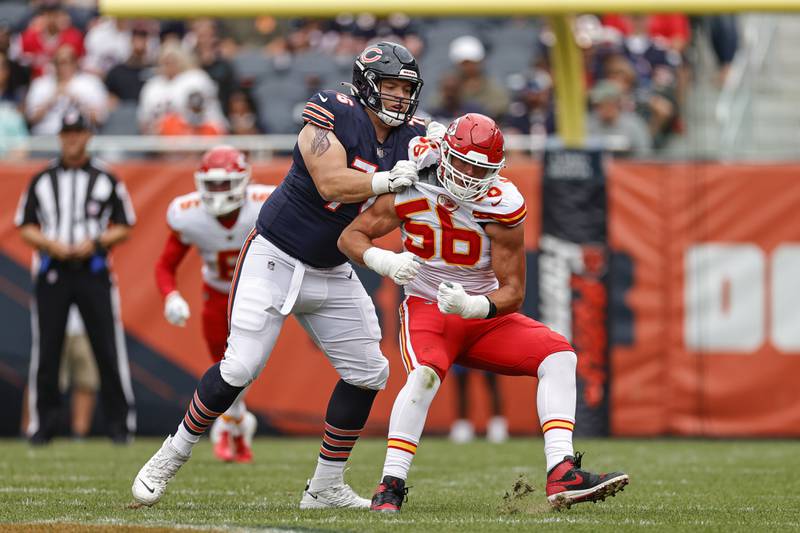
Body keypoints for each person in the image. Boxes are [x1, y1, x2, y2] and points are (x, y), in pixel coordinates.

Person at [131, 41, 428, 509]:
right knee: (241, 366)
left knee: (370, 372)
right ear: (367, 85)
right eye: (389, 87)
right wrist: (386, 181)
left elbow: (449, 154)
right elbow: (331, 182)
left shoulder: (412, 135)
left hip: (330, 267)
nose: (398, 97)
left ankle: (325, 486)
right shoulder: (332, 110)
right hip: (276, 254)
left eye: (405, 89)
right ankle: (170, 455)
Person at [337, 113, 629, 512]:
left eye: (481, 168)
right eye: (464, 163)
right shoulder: (411, 179)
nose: (471, 175)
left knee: (560, 355)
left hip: (483, 316)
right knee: (423, 377)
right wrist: (383, 261)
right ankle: (390, 484)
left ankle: (562, 471)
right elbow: (351, 235)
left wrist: (476, 306)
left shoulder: (502, 202)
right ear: (444, 153)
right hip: (427, 307)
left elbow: (514, 292)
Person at [15, 108, 136, 445]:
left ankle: (119, 425)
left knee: (108, 349)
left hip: (93, 271)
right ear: (60, 137)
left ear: (88, 136)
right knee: (47, 351)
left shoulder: (106, 178)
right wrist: (49, 244)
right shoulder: (42, 179)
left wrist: (95, 243)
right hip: (52, 270)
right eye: (67, 133)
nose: (72, 139)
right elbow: (24, 226)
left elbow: (126, 225)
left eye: (78, 133)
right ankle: (44, 425)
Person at [154, 145, 274, 462]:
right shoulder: (189, 214)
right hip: (217, 296)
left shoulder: (265, 205)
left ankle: (230, 425)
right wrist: (171, 295)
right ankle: (234, 424)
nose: (218, 191)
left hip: (255, 294)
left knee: (243, 370)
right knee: (225, 370)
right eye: (212, 184)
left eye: (225, 183)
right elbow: (165, 265)